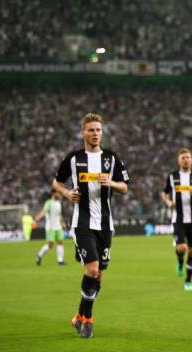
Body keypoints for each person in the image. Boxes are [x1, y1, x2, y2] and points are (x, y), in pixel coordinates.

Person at [52, 113, 130, 339]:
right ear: (83, 132)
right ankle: (88, 320)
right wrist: (67, 192)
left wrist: (111, 183)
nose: (95, 134)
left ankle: (79, 316)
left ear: (102, 132)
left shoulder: (111, 158)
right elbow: (56, 182)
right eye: (91, 130)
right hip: (82, 222)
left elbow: (124, 187)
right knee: (92, 269)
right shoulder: (74, 159)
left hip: (105, 225)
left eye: (98, 130)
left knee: (99, 276)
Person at [162, 148, 192, 290]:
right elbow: (164, 193)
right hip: (178, 219)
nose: (185, 160)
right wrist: (168, 202)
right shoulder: (172, 177)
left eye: (188, 157)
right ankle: (180, 261)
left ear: (191, 159)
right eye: (183, 157)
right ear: (178, 160)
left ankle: (188, 281)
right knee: (182, 248)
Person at [35, 190, 66, 266]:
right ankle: (39, 255)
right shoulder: (49, 203)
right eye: (58, 193)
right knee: (50, 245)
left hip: (58, 226)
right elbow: (44, 211)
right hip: (50, 227)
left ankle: (60, 260)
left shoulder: (58, 203)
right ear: (54, 193)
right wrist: (38, 217)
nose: (59, 194)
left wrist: (62, 223)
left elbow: (59, 214)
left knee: (60, 242)